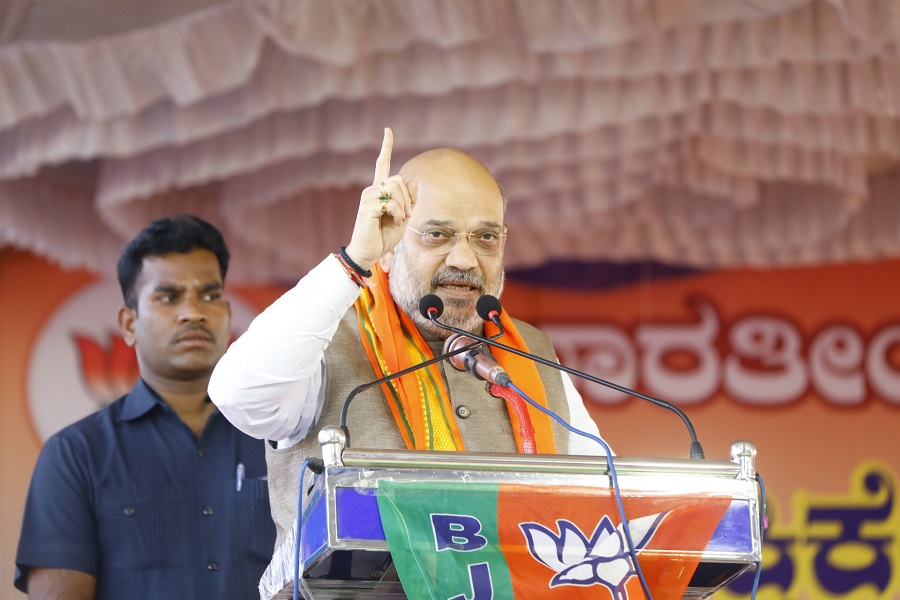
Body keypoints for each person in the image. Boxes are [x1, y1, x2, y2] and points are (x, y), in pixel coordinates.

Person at [209, 128, 610, 548]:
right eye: (437, 234)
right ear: (389, 246)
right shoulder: (325, 343)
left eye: (486, 237)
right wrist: (353, 261)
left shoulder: (532, 353)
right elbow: (240, 396)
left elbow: (610, 508)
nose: (464, 259)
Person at [15, 215, 276, 599]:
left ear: (227, 313)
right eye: (169, 297)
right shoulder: (76, 454)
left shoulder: (280, 440)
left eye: (209, 295)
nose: (194, 312)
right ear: (128, 324)